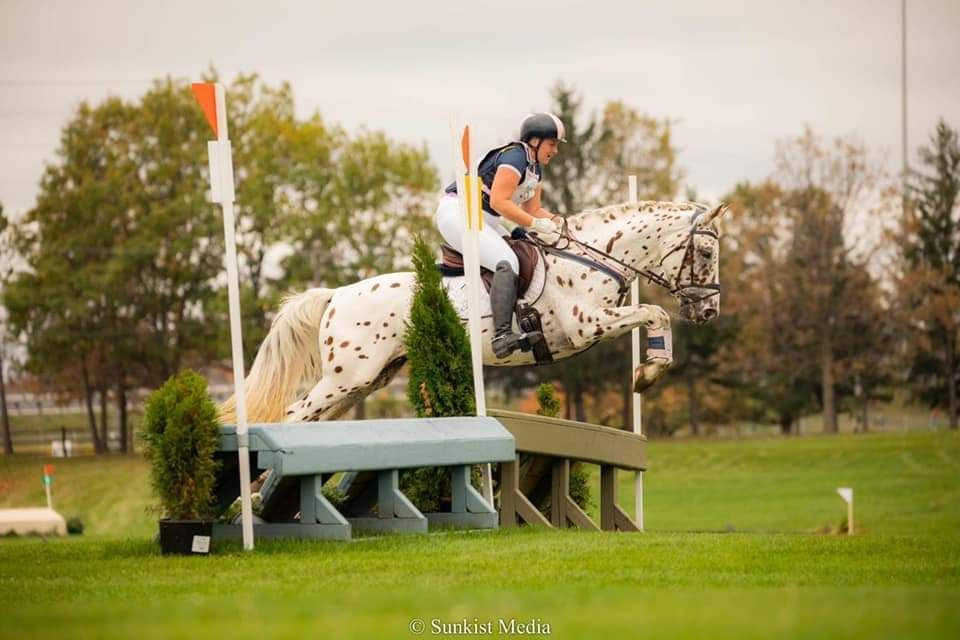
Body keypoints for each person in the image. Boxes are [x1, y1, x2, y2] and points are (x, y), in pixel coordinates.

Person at [436, 113, 566, 357]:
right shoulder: (515, 156)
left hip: (487, 218)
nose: (555, 151)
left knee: (525, 247)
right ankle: (502, 336)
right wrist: (535, 223)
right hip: (460, 212)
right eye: (552, 144)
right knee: (506, 262)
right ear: (535, 141)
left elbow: (533, 210)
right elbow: (499, 201)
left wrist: (562, 224)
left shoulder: (535, 168)